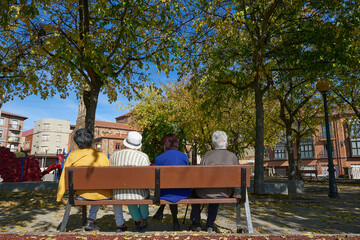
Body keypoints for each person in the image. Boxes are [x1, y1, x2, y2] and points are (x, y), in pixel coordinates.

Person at [57, 128, 126, 232]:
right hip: (104, 194)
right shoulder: (101, 155)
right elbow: (109, 175)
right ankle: (118, 224)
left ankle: (91, 220)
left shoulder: (72, 156)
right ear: (91, 141)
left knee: (93, 191)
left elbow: (64, 176)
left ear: (77, 142)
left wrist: (59, 195)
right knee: (100, 191)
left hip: (82, 194)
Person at [190, 130, 239, 233]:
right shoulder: (233, 156)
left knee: (196, 193)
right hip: (225, 193)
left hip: (205, 192)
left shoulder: (207, 155)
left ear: (213, 145)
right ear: (227, 143)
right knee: (217, 192)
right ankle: (210, 225)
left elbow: (200, 175)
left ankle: (197, 222)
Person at [110, 131, 151, 232]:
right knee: (140, 192)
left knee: (128, 192)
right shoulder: (143, 156)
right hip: (139, 193)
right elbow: (147, 178)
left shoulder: (114, 155)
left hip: (119, 193)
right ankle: (143, 218)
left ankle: (138, 220)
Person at [152, 134, 191, 231]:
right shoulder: (184, 157)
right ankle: (174, 221)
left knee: (168, 189)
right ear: (177, 145)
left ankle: (163, 214)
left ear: (165, 146)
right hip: (183, 193)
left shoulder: (159, 158)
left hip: (164, 194)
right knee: (174, 188)